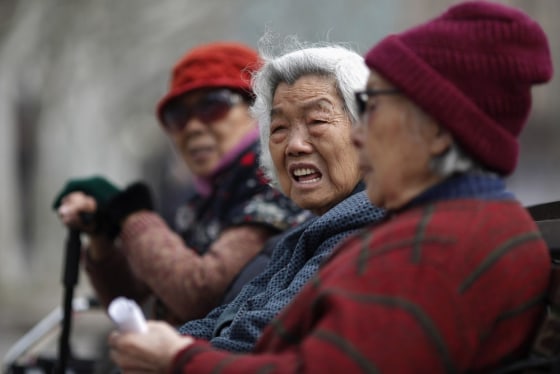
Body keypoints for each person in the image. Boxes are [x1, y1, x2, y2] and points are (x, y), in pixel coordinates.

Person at [108, 2, 554, 373]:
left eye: (372, 107)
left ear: (437, 130)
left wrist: (180, 358)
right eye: (278, 129)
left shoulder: (435, 245)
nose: (361, 135)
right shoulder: (436, 227)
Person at [53, 41, 310, 324]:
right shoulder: (202, 197)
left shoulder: (274, 182)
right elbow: (132, 303)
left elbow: (197, 294)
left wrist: (132, 215)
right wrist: (102, 235)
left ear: (259, 110)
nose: (192, 127)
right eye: (177, 115)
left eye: (212, 105)